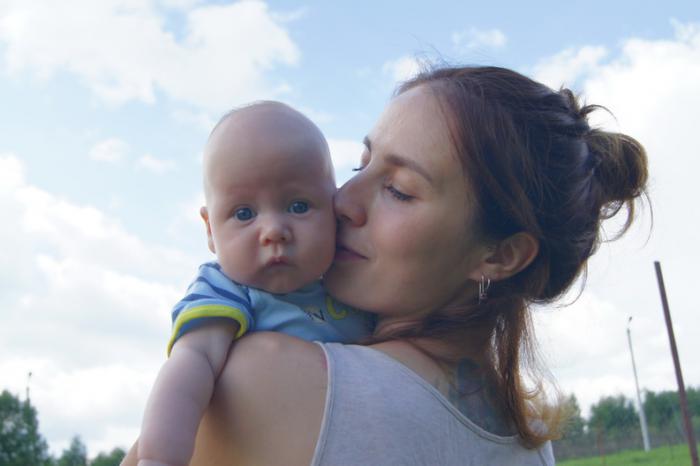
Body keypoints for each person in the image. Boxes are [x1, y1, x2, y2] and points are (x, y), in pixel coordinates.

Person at [122, 65, 648, 466]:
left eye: (398, 189)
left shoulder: (263, 377)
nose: (344, 199)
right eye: (362, 164)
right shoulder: (533, 440)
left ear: (499, 255)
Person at [136, 102, 373, 466]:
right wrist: (159, 457)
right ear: (210, 230)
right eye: (244, 213)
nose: (274, 230)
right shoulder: (226, 289)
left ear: (334, 208)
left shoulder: (354, 283)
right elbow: (192, 364)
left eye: (298, 206)